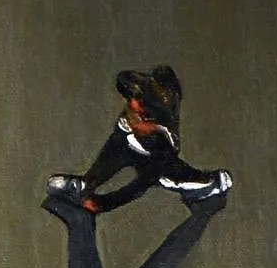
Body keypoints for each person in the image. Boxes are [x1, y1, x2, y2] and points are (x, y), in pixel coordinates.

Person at [47, 66, 231, 213]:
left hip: (154, 154)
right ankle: (83, 184)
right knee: (111, 156)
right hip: (129, 139)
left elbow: (139, 186)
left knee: (164, 178)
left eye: (141, 106)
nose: (134, 106)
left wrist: (103, 203)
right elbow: (124, 79)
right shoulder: (137, 103)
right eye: (133, 100)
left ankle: (210, 183)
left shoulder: (161, 135)